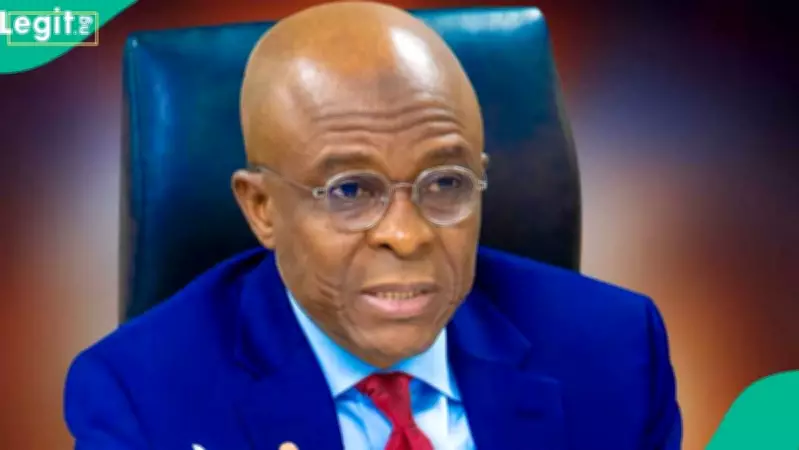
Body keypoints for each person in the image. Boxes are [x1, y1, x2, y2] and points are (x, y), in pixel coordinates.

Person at [64, 2, 682, 449]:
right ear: (262, 208)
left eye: (446, 184)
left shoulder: (618, 352)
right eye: (350, 191)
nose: (407, 236)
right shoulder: (139, 401)